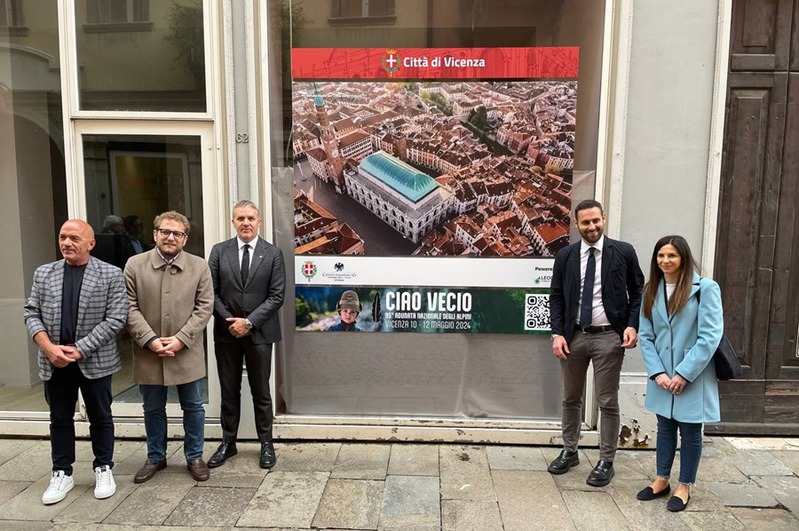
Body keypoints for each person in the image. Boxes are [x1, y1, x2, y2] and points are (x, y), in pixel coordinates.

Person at [23, 219, 127, 505]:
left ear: (90, 243)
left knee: (101, 417)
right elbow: (31, 313)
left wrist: (80, 349)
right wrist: (48, 348)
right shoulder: (44, 273)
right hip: (54, 360)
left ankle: (103, 467)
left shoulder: (111, 274)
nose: (66, 243)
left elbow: (116, 319)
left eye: (74, 238)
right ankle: (62, 472)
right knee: (59, 419)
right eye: (62, 237)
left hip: (94, 360)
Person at [548, 199, 645, 486]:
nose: (592, 227)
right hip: (573, 336)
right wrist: (557, 333)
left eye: (596, 221)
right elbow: (555, 295)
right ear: (576, 224)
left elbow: (637, 291)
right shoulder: (566, 256)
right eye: (585, 222)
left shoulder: (623, 252)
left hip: (608, 337)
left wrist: (631, 325)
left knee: (607, 401)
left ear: (603, 218)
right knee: (570, 398)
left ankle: (606, 460)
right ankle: (570, 451)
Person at [124, 211, 214, 483]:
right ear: (155, 234)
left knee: (194, 407)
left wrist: (181, 338)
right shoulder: (134, 265)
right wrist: (150, 340)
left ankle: (195, 457)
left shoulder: (199, 266)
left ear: (185, 238)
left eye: (177, 233)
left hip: (186, 350)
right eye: (165, 231)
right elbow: (128, 307)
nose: (170, 237)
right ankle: (155, 457)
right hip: (148, 352)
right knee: (152, 408)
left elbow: (205, 307)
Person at [636, 235, 723, 512]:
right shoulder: (652, 289)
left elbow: (710, 336)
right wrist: (658, 372)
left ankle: (684, 486)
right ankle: (661, 479)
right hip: (662, 375)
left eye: (671, 255)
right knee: (664, 427)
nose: (665, 261)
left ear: (683, 257)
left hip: (692, 375)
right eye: (661, 256)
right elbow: (646, 335)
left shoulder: (705, 289)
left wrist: (684, 373)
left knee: (690, 430)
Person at [207, 200, 286, 469]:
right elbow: (211, 292)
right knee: (229, 390)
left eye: (251, 218)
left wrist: (249, 322)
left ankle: (266, 443)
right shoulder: (219, 252)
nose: (246, 223)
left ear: (259, 221)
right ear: (233, 222)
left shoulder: (273, 254)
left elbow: (277, 296)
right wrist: (232, 321)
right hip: (227, 332)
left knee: (261, 391)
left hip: (260, 333)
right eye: (240, 218)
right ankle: (228, 443)